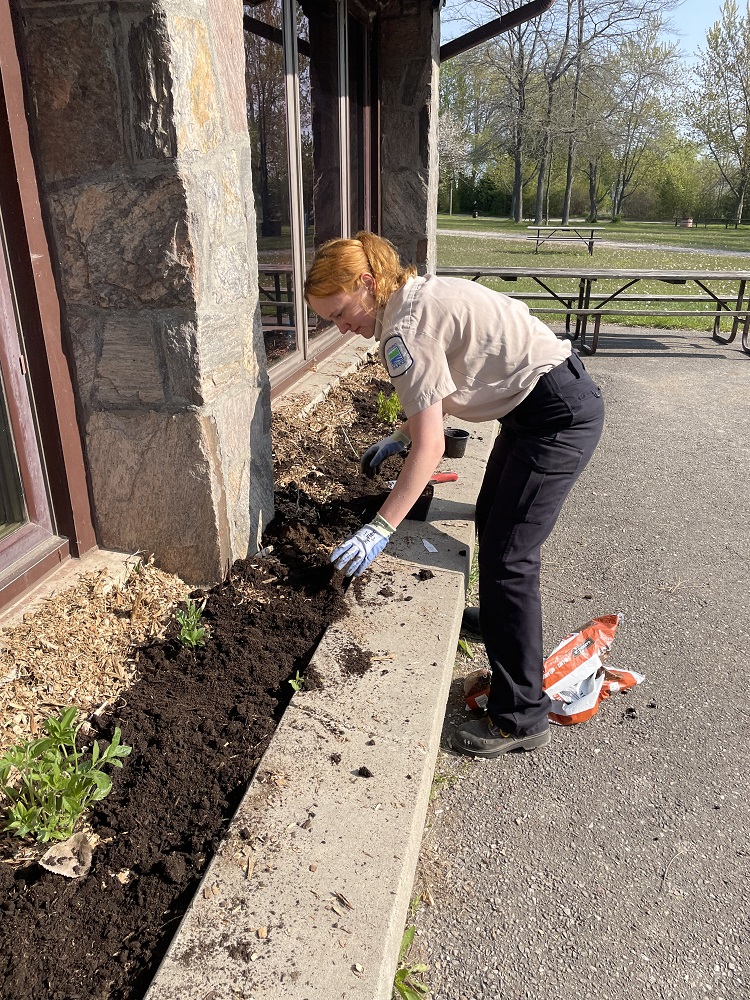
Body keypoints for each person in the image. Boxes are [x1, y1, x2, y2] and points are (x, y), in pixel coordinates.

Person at [304, 232, 604, 759]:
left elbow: (431, 449)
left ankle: (521, 717)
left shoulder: (405, 330)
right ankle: (493, 624)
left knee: (510, 559)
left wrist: (380, 527)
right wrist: (398, 434)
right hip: (537, 404)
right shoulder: (416, 297)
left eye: (341, 312)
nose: (342, 328)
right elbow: (436, 395)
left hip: (556, 418)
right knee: (492, 521)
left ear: (368, 285)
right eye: (330, 321)